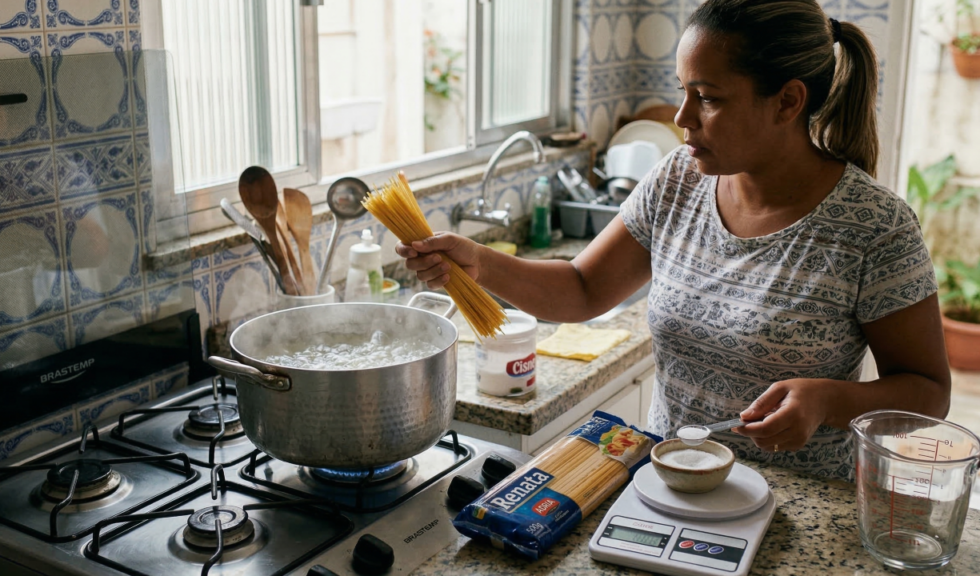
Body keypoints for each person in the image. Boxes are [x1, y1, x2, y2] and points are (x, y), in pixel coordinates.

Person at [396, 0, 951, 480]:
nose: (683, 117)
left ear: (787, 102)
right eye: (683, 91)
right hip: (670, 478)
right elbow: (582, 289)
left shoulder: (874, 227)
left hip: (796, 505)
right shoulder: (678, 178)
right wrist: (478, 264)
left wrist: (832, 400)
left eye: (707, 97)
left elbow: (927, 390)